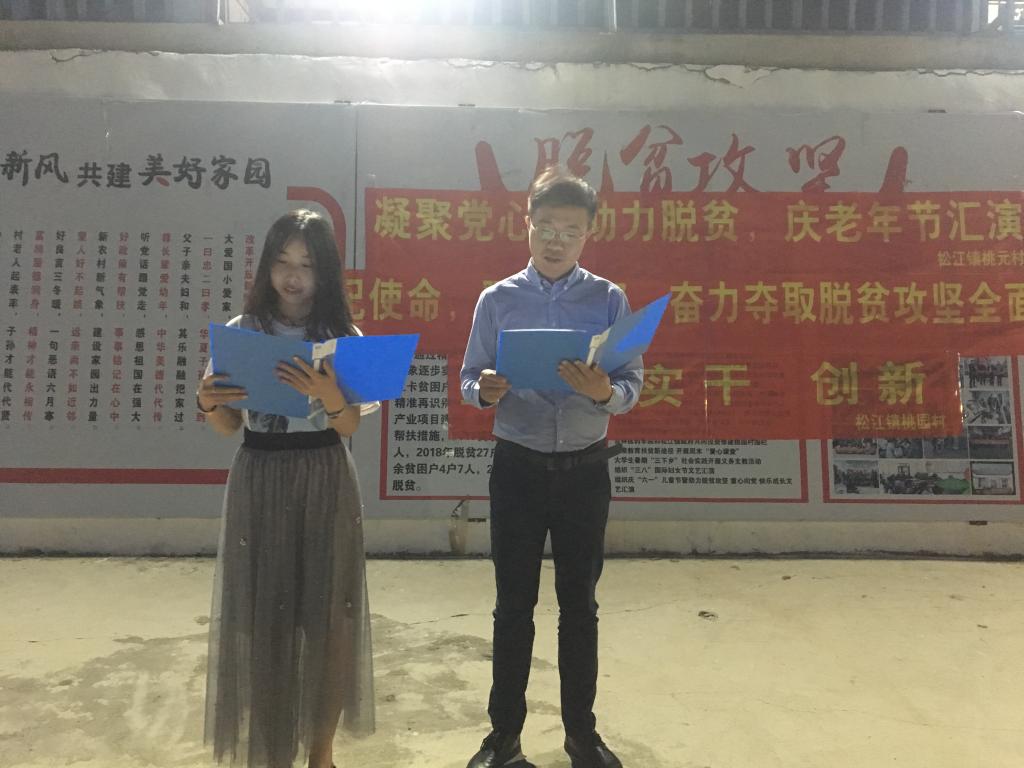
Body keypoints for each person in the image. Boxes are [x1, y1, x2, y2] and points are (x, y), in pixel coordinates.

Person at [460, 167, 643, 768]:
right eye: (545, 227)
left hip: (585, 472)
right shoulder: (497, 299)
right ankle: (503, 737)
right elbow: (469, 377)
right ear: (527, 225)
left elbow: (631, 384)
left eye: (570, 230)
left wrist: (602, 391)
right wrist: (484, 390)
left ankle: (581, 736)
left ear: (589, 233)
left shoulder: (609, 299)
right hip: (517, 466)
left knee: (579, 607)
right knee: (512, 606)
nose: (556, 240)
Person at [197, 210, 375, 768]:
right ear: (266, 267)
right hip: (260, 476)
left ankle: (321, 751)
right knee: (262, 618)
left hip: (325, 475)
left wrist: (332, 396)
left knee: (330, 618)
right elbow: (227, 426)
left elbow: (349, 426)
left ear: (326, 273)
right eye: (282, 262)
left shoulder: (343, 337)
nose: (293, 277)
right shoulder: (244, 331)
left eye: (307, 265)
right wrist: (208, 403)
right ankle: (270, 750)